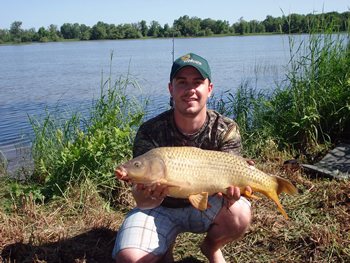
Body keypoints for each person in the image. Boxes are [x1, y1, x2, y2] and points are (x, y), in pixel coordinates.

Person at [112, 53, 252, 263]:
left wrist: (234, 194)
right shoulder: (150, 131)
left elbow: (234, 176)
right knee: (130, 258)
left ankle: (211, 248)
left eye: (197, 82)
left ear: (209, 89)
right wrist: (148, 196)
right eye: (182, 82)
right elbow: (141, 200)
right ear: (171, 89)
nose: (190, 90)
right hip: (160, 208)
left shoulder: (226, 128)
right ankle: (164, 246)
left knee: (240, 211)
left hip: (210, 203)